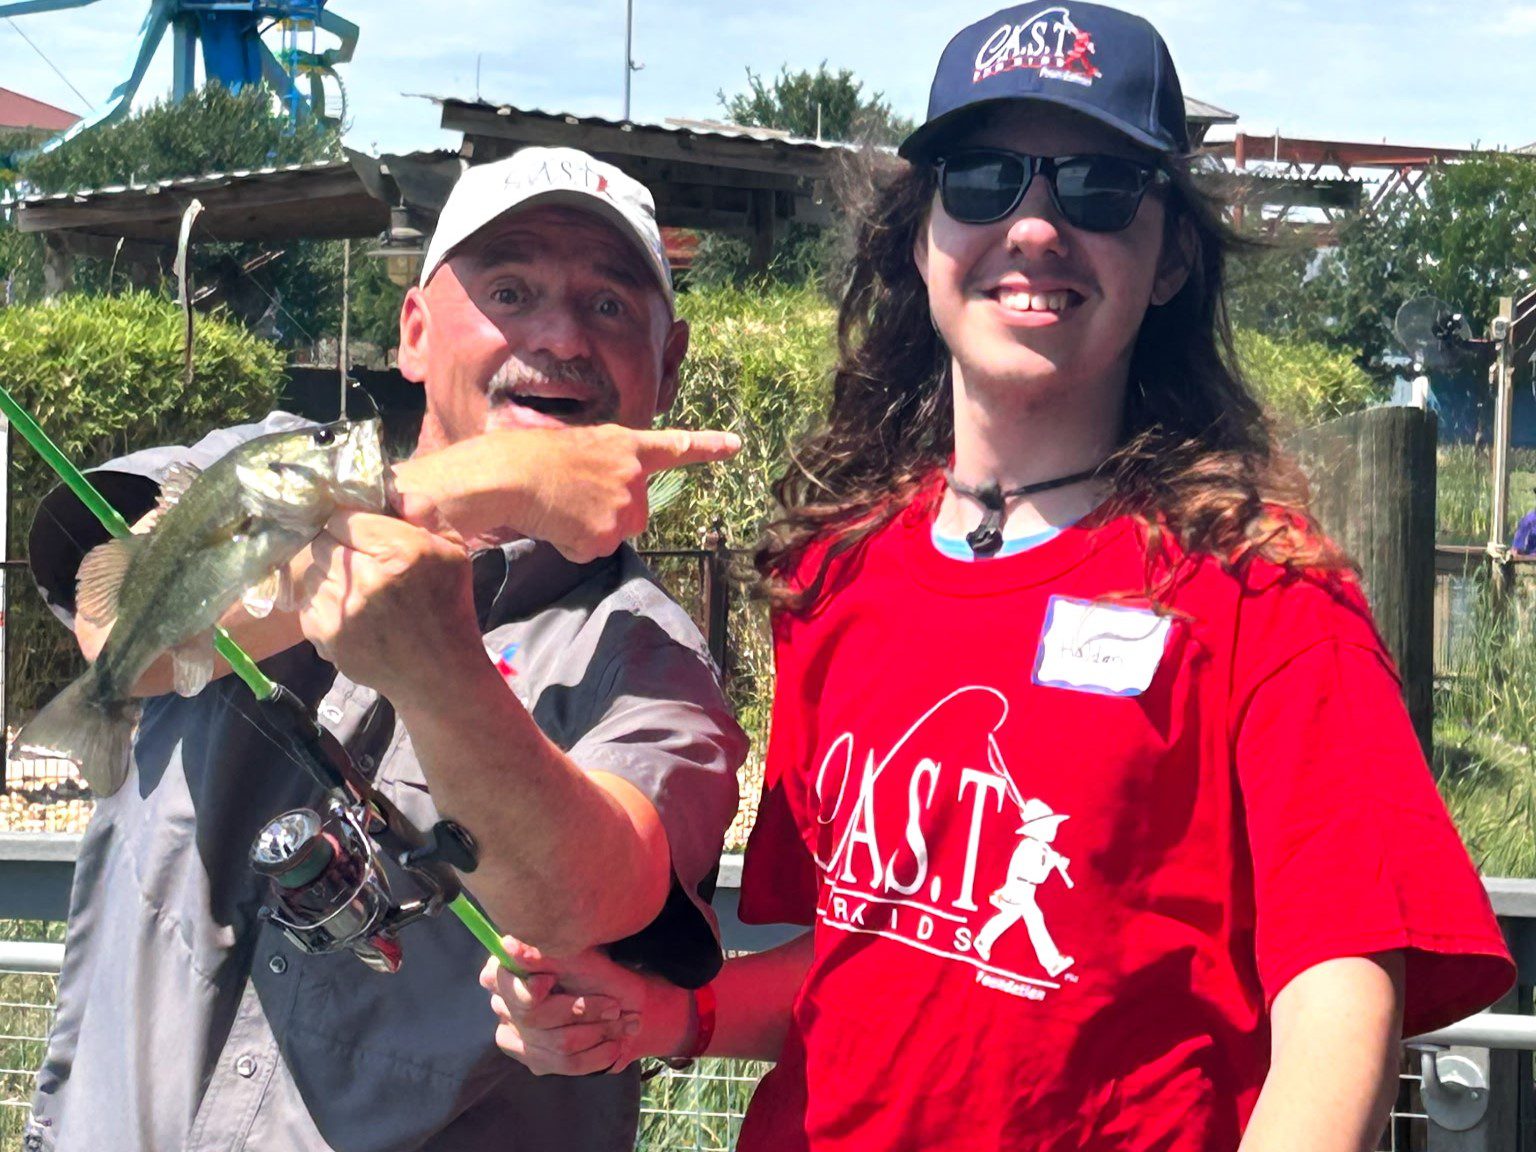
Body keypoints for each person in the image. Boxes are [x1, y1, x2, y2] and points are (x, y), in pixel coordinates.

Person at [481, 8, 1516, 1151]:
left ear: (1170, 254)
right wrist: (678, 1012)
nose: (1034, 225)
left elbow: (1337, 996)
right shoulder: (838, 571)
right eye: (980, 179)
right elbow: (870, 952)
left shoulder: (1260, 590)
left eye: (1098, 186)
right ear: (919, 236)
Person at [23, 145, 746, 1152]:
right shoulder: (246, 464)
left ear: (666, 369)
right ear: (413, 330)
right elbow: (120, 626)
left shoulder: (653, 666)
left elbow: (583, 899)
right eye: (510, 287)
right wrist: (456, 491)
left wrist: (442, 677)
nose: (559, 334)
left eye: (612, 307)